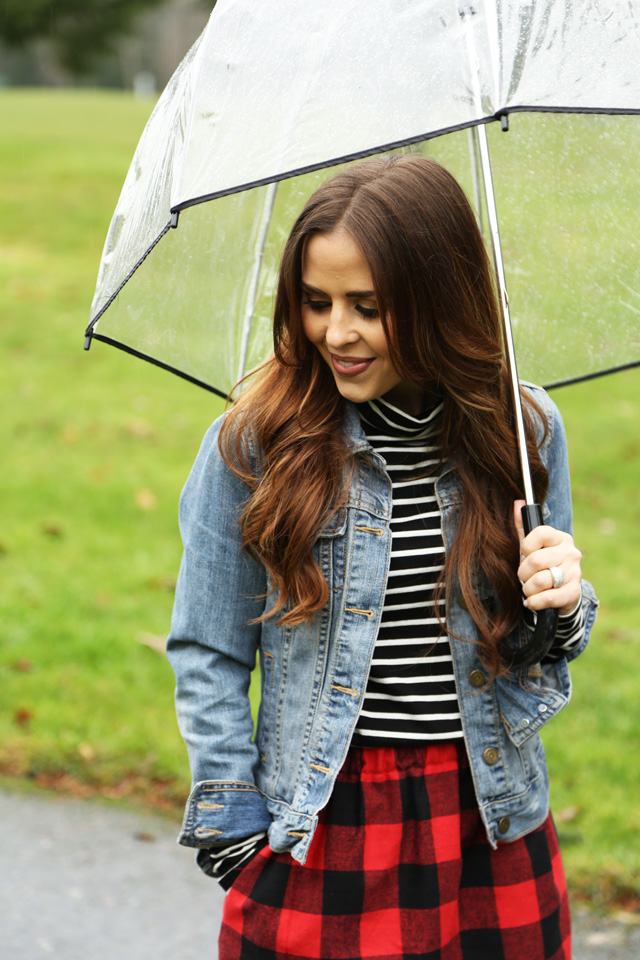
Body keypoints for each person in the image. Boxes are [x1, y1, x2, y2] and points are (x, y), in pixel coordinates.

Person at [167, 155, 598, 960]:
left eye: (369, 307)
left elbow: (535, 647)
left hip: (487, 817)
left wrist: (562, 601)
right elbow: (207, 646)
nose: (337, 333)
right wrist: (233, 831)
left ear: (439, 297)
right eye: (316, 302)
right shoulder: (255, 445)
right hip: (326, 818)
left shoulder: (523, 429)